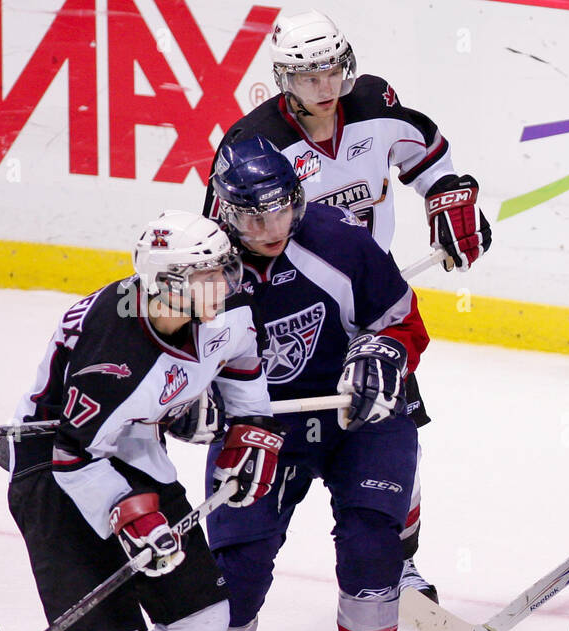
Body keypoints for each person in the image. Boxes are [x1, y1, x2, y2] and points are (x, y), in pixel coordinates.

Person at [3, 211, 283, 631]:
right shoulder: (116, 349)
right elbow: (73, 453)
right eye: (211, 273)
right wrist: (126, 516)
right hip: (55, 470)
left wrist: (248, 430)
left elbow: (242, 374)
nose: (229, 281)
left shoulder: (222, 309)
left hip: (129, 454)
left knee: (202, 616)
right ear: (167, 284)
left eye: (223, 267)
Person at [203, 8, 493, 600]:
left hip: (365, 300)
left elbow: (429, 156)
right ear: (285, 78)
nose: (325, 86)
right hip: (286, 311)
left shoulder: (376, 107)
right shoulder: (252, 146)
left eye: (332, 70)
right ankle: (234, 574)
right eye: (309, 76)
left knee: (395, 435)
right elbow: (219, 242)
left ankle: (399, 562)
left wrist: (451, 200)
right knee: (270, 445)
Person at [161, 137, 429, 631]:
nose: (267, 227)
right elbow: (168, 359)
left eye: (279, 210)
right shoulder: (201, 270)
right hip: (261, 428)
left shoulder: (339, 241)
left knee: (372, 546)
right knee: (237, 567)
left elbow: (403, 320)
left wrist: (385, 353)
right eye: (251, 216)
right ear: (224, 211)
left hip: (358, 413)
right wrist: (187, 399)